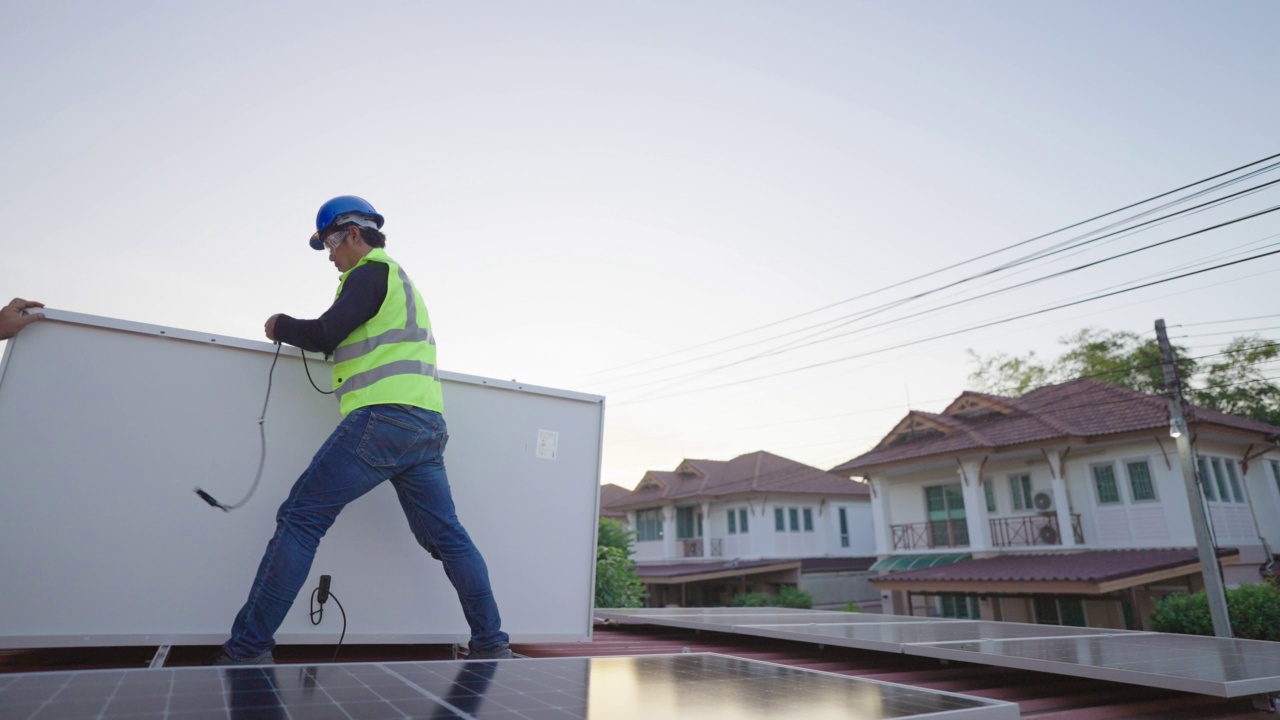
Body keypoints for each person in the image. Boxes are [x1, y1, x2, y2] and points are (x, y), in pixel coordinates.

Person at [215, 195, 511, 664]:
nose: (330, 254)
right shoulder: (399, 283)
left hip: (383, 419)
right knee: (448, 536)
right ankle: (492, 644)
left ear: (355, 232)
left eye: (332, 241)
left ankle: (247, 649)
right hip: (426, 427)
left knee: (301, 519)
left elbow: (325, 332)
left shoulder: (371, 273)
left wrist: (280, 325)